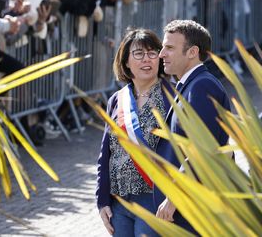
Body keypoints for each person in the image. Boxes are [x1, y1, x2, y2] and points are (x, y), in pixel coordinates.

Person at [155, 20, 230, 234]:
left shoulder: (201, 86)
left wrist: (174, 196)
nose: (161, 54)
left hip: (193, 208)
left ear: (192, 52)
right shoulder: (191, 85)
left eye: (169, 47)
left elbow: (203, 149)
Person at [96, 28, 173, 237]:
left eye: (152, 52)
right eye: (138, 54)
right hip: (119, 201)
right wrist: (102, 200)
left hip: (154, 199)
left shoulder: (171, 97)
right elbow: (106, 153)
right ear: (126, 62)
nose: (146, 59)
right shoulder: (117, 99)